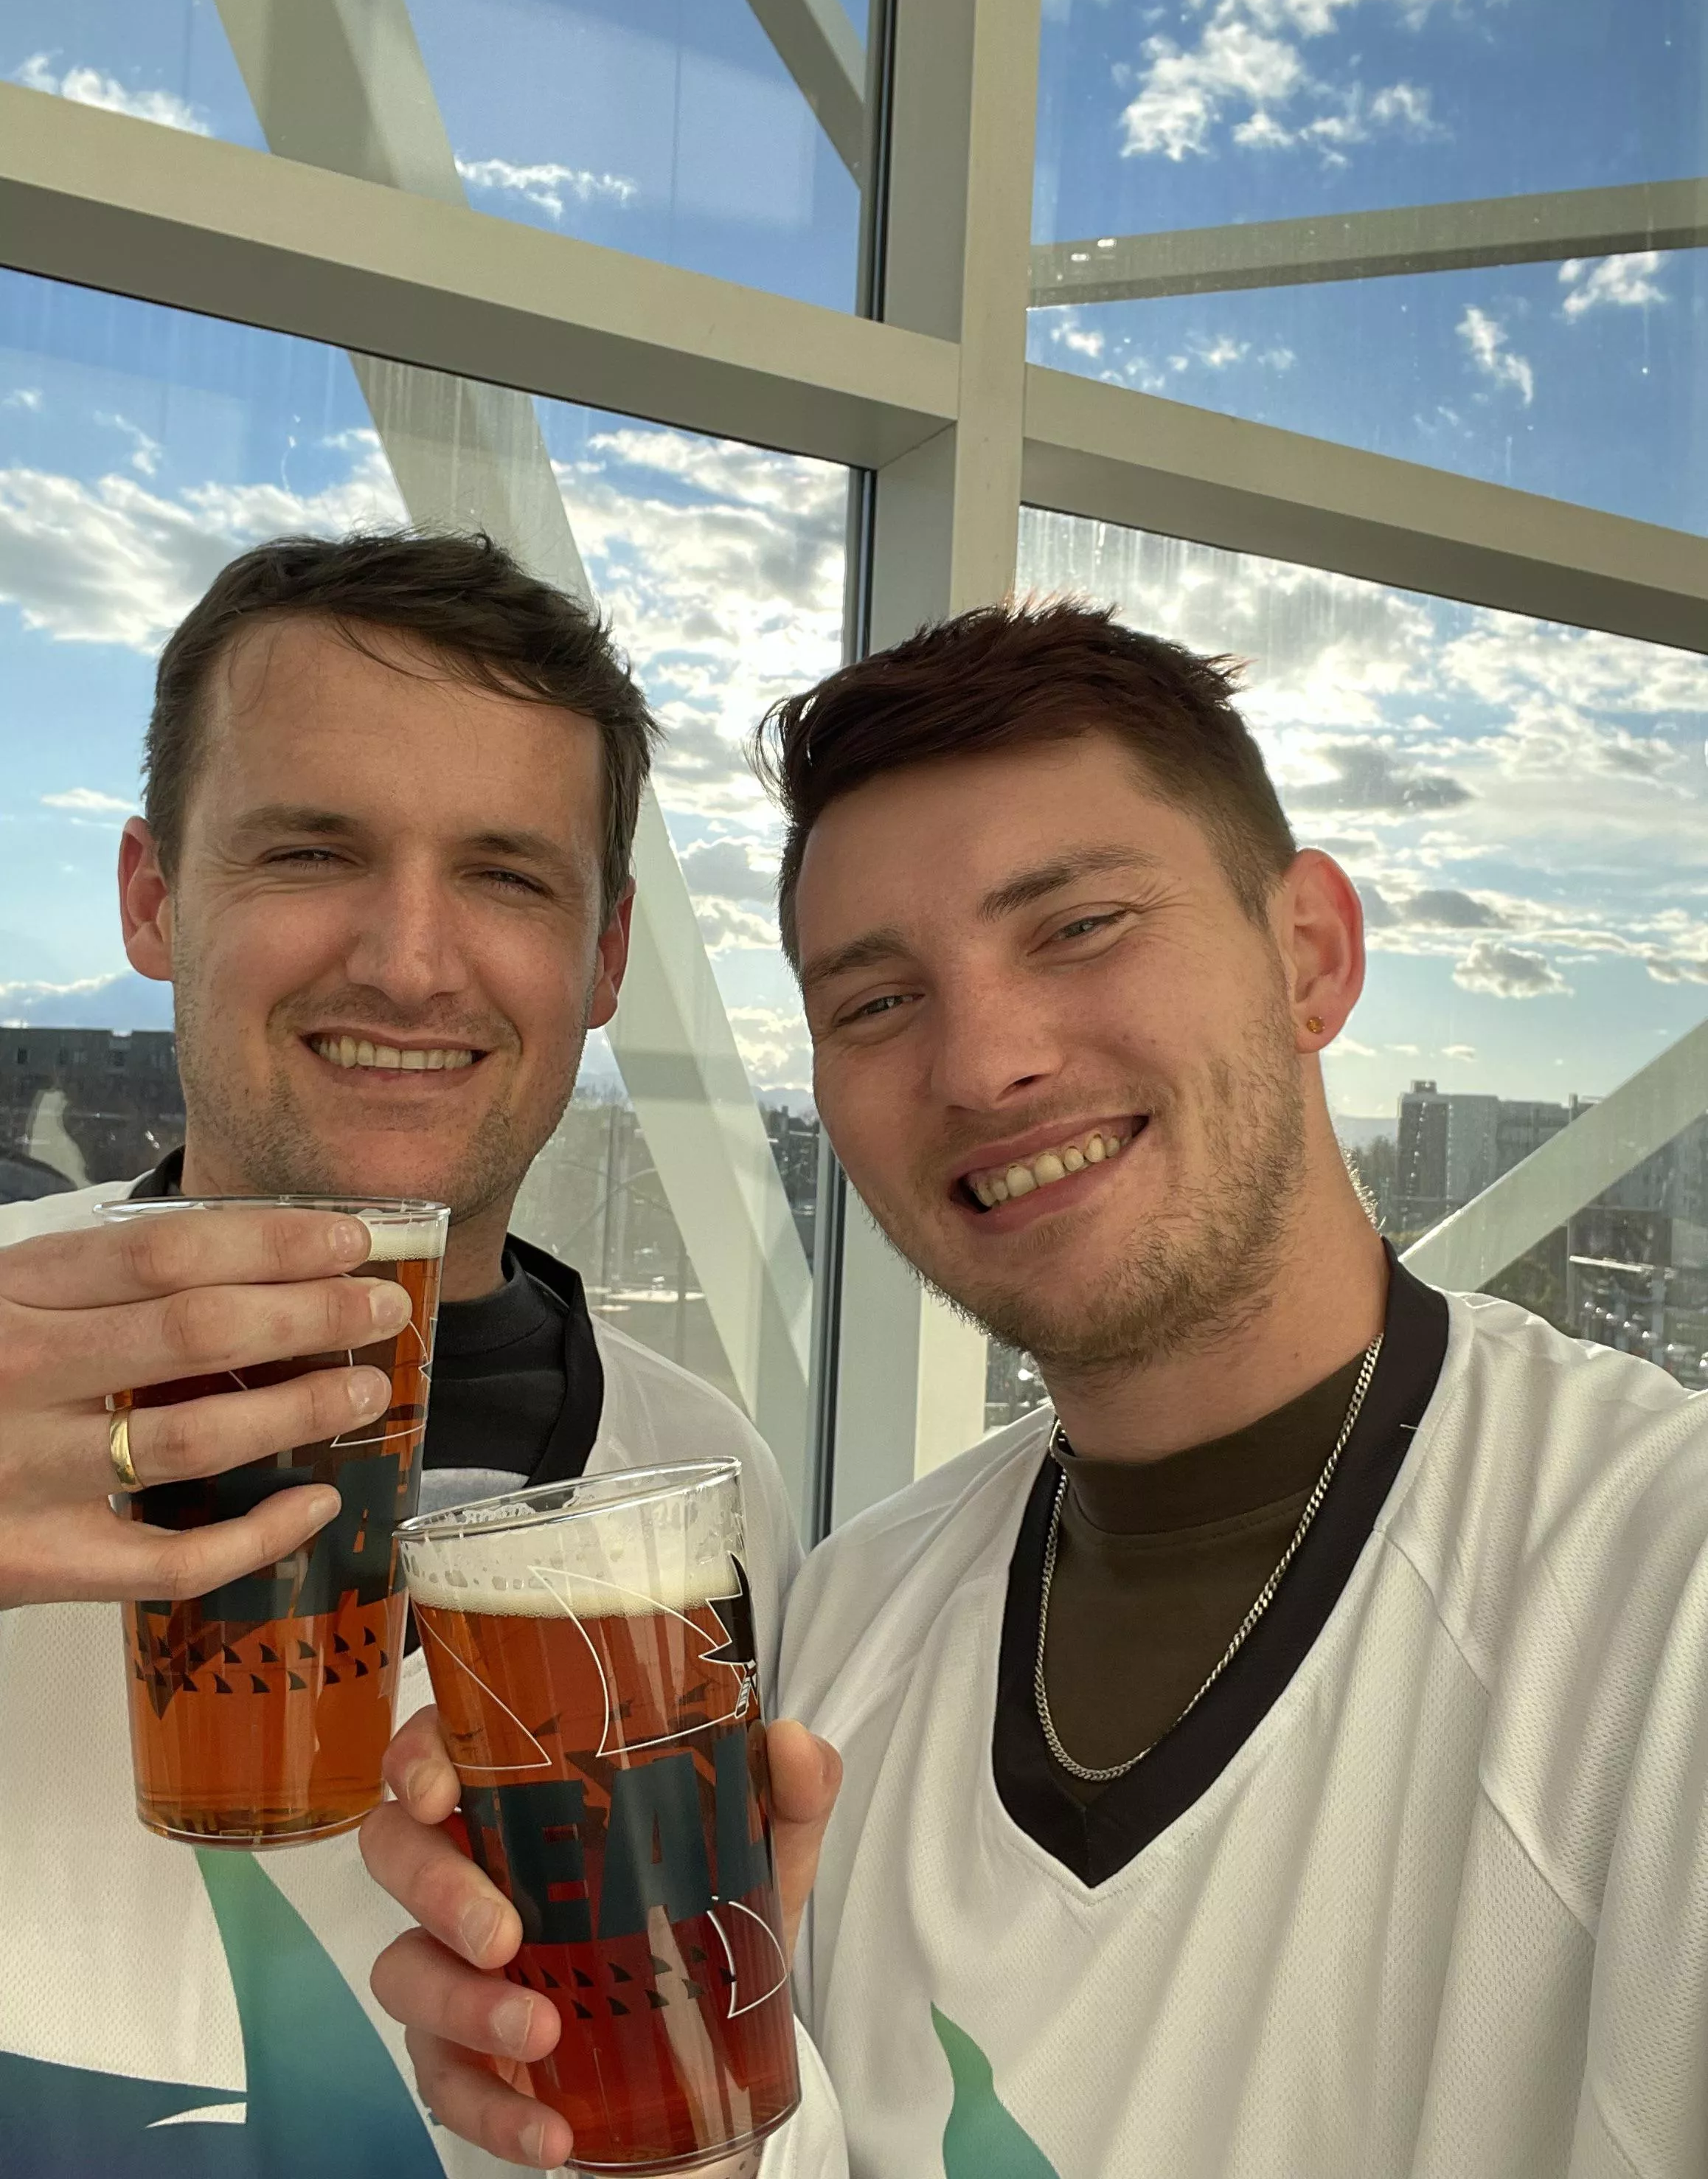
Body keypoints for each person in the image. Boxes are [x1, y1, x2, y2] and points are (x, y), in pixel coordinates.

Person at [371, 595, 1708, 2178]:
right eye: (877, 1001)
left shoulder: (1656, 1587)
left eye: (1080, 926)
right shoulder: (857, 1614)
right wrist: (664, 2121)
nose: (983, 1062)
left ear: (1311, 957)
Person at [0, 530, 835, 2179]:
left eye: (508, 876)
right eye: (311, 850)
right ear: (154, 897)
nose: (406, 959)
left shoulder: (707, 1485)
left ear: (605, 959)